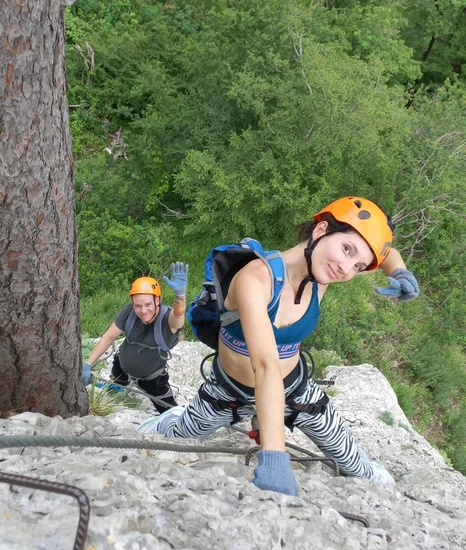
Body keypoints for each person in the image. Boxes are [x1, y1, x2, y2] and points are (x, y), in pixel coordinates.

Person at [138, 198, 419, 495]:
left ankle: (363, 468)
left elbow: (386, 254)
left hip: (295, 389)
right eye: (347, 250)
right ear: (321, 230)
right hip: (229, 391)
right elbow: (265, 365)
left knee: (357, 467)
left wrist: (397, 271)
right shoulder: (256, 279)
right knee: (177, 436)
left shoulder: (326, 270)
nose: (347, 269)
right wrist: (274, 459)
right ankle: (172, 418)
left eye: (358, 265)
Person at [83, 264, 189, 412]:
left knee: (170, 413)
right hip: (121, 367)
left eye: (147, 304)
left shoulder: (167, 319)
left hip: (152, 379)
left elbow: (178, 316)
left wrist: (180, 295)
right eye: (138, 305)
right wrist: (88, 363)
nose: (143, 311)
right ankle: (119, 390)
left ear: (157, 300)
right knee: (115, 388)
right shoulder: (129, 312)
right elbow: (109, 336)